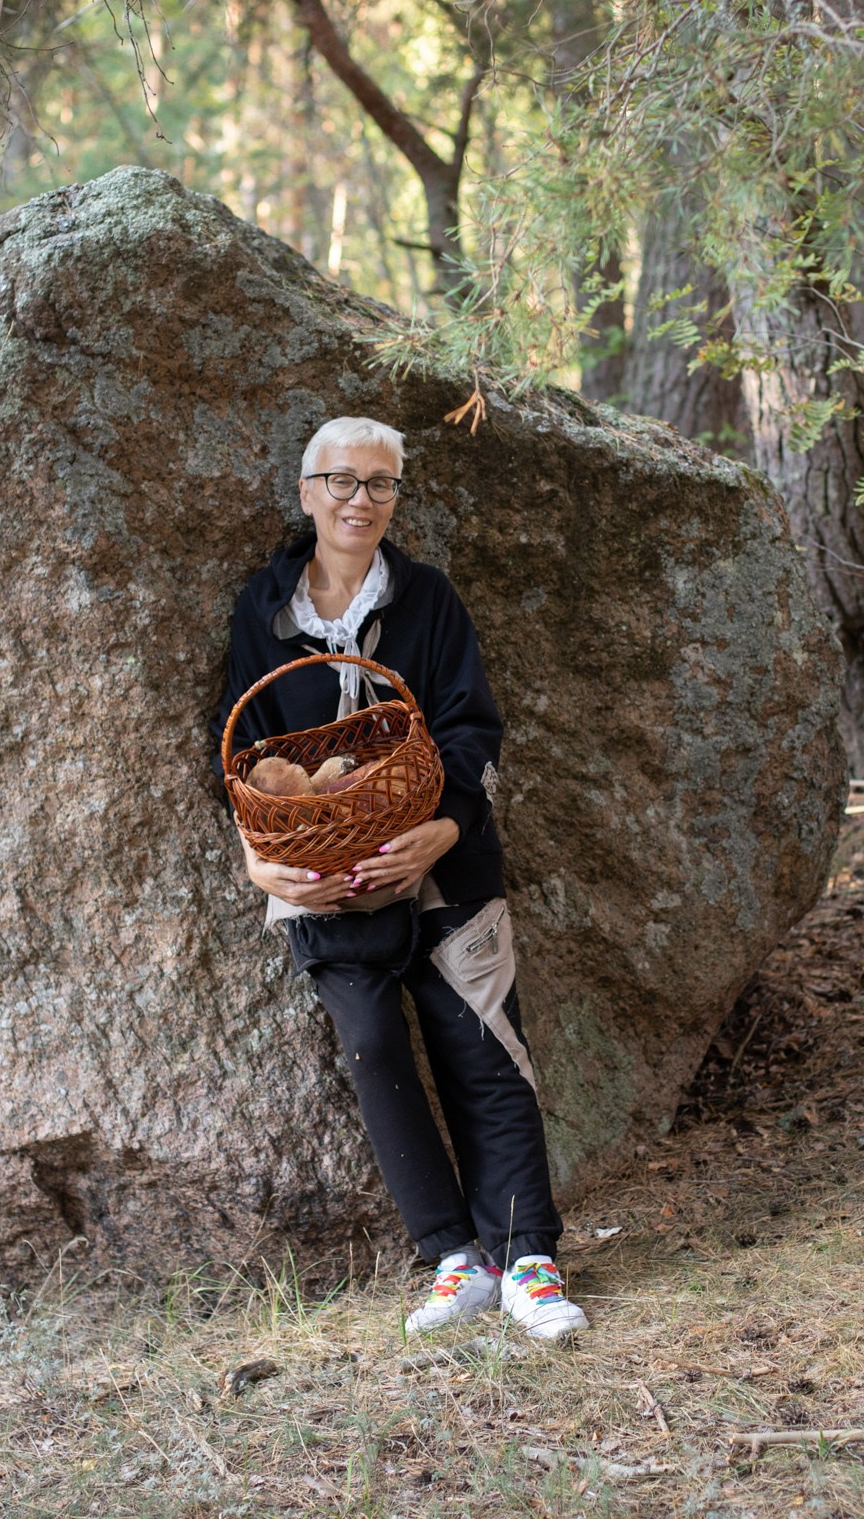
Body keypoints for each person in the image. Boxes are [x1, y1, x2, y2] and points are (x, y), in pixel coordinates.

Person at [215, 416, 588, 1342]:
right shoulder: (262, 611)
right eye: (341, 481)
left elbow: (473, 731)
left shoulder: (427, 600)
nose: (360, 500)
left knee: (482, 1041)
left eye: (381, 485)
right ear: (306, 493)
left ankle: (527, 1258)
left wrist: (442, 828)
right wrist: (261, 861)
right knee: (374, 1045)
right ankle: (454, 1259)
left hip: (445, 864)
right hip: (323, 879)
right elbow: (240, 752)